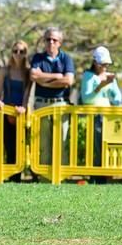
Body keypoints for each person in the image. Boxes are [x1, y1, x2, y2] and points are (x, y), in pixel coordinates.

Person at [30, 27, 75, 166]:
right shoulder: (38, 58)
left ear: (60, 42)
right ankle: (44, 181)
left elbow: (68, 80)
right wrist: (56, 76)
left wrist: (43, 81)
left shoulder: (66, 58)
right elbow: (33, 75)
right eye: (48, 39)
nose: (51, 42)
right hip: (41, 104)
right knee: (43, 145)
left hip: (60, 104)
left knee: (61, 143)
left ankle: (61, 179)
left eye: (54, 40)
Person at [80, 46, 122, 183]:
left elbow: (117, 98)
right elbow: (87, 99)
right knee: (97, 148)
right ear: (95, 63)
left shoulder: (109, 77)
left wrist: (111, 88)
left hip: (109, 116)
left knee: (108, 147)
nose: (105, 67)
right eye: (103, 64)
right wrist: (101, 86)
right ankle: (96, 178)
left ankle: (107, 177)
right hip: (95, 116)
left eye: (107, 64)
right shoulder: (88, 76)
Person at [0, 40, 30, 182]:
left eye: (22, 51)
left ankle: (17, 179)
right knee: (8, 147)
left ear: (26, 53)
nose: (18, 54)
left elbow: (27, 93)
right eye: (15, 51)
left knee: (20, 148)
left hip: (21, 113)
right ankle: (8, 178)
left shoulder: (28, 73)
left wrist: (24, 107)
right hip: (6, 111)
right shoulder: (5, 71)